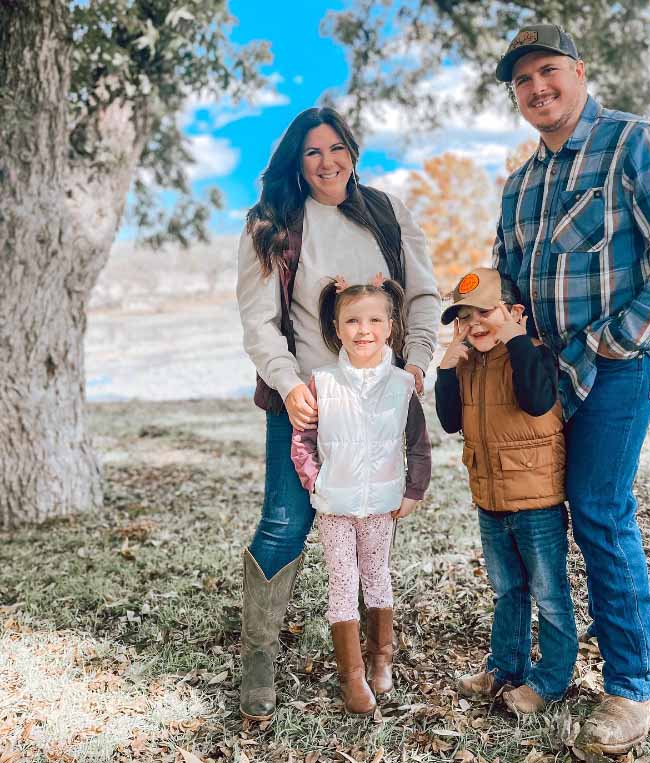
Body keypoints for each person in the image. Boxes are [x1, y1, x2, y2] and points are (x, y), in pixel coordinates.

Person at [492, 24, 650, 752]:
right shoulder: (522, 183)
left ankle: (634, 684)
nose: (537, 89)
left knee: (599, 507)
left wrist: (622, 337)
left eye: (549, 71)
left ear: (580, 71)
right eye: (523, 81)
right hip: (545, 376)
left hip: (619, 364)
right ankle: (550, 668)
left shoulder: (634, 142)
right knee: (538, 517)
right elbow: (510, 281)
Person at [235, 107, 440, 723]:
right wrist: (288, 383)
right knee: (285, 522)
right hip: (308, 401)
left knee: (371, 523)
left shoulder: (386, 211)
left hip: (377, 395)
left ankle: (377, 650)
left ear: (353, 150)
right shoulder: (274, 224)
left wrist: (418, 365)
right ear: (295, 163)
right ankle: (259, 658)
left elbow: (425, 295)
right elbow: (259, 320)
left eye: (336, 148)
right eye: (312, 153)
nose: (327, 163)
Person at [434, 267, 578, 715]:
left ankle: (551, 679)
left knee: (549, 592)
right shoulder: (469, 365)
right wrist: (445, 368)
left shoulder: (532, 353)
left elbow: (536, 401)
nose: (473, 324)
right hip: (490, 498)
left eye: (485, 312)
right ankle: (505, 668)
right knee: (507, 590)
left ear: (515, 313)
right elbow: (450, 421)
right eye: (463, 317)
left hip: (537, 501)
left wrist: (515, 338)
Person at [290, 277, 432, 714]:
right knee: (342, 583)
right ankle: (352, 676)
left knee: (377, 576)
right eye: (352, 320)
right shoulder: (322, 382)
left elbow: (418, 444)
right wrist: (315, 480)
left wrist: (414, 489)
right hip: (335, 506)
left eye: (374, 320)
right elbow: (303, 438)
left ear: (391, 327)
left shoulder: (402, 385)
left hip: (382, 504)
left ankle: (381, 659)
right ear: (337, 328)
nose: (363, 329)